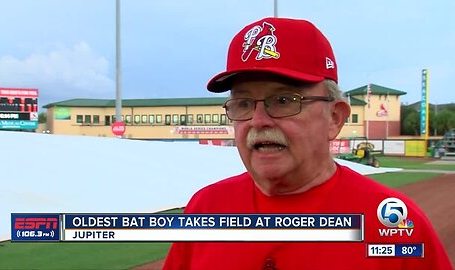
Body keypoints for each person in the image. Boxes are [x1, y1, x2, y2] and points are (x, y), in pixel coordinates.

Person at [163, 17, 452, 270]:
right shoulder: (206, 208)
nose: (259, 120)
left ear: (334, 118)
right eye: (243, 103)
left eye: (284, 100)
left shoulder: (395, 222)